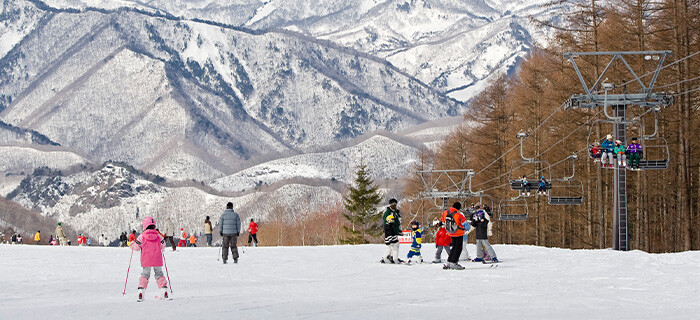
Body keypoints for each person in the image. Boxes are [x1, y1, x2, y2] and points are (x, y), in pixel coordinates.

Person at [130, 216, 170, 302]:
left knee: (145, 274)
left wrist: (132, 245)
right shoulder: (158, 235)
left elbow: (137, 247)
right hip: (157, 258)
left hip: (146, 259)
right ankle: (164, 291)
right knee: (159, 274)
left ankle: (141, 291)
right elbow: (163, 245)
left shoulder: (142, 236)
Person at [441, 202, 467, 270]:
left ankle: (449, 261)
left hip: (450, 232)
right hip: (458, 233)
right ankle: (454, 262)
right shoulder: (458, 215)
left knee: (454, 247)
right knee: (458, 248)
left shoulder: (445, 212)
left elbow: (443, 220)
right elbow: (463, 222)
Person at [381, 199, 403, 263]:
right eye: (393, 204)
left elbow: (398, 222)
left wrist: (399, 230)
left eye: (395, 204)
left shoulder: (396, 212)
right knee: (393, 246)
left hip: (395, 231)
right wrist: (387, 231)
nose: (394, 205)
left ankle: (391, 257)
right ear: (390, 204)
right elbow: (386, 222)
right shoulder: (388, 212)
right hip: (391, 232)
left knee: (393, 246)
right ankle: (391, 257)